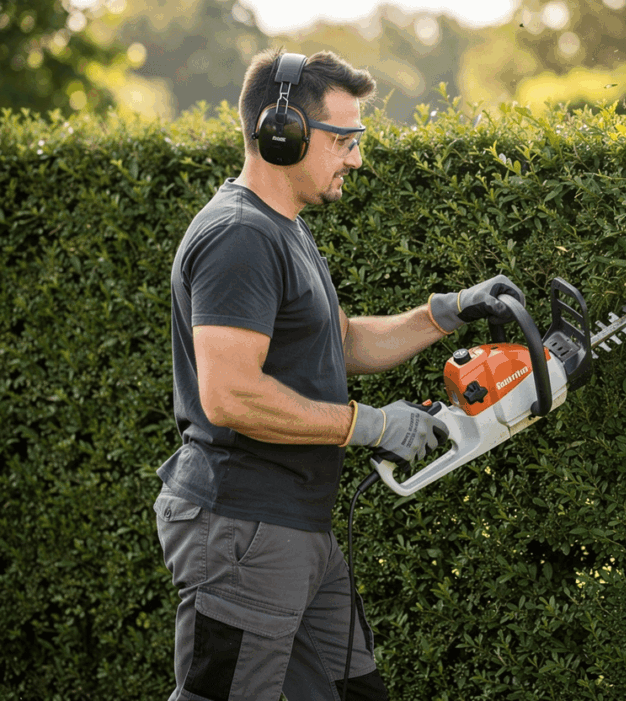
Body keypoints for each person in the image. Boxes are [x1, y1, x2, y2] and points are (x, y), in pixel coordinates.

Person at [153, 48, 523, 701]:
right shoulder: (239, 236)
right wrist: (370, 424)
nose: (356, 156)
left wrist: (447, 312)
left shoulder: (283, 228)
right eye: (344, 139)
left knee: (355, 690)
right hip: (243, 527)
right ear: (283, 131)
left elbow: (341, 340)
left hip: (298, 526)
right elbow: (230, 393)